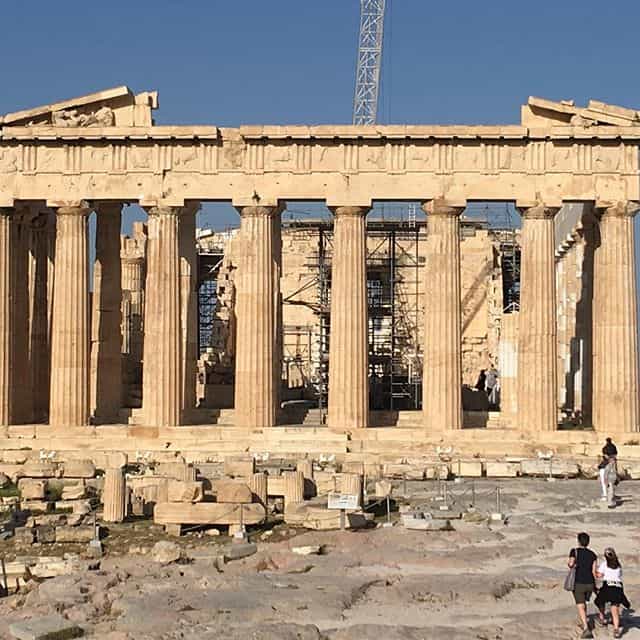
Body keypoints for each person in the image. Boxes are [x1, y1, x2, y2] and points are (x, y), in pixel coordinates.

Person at [594, 547, 630, 638]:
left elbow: (599, 575)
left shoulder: (605, 564)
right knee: (615, 609)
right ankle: (616, 630)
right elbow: (619, 575)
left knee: (599, 601)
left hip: (608, 586)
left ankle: (602, 618)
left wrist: (594, 570)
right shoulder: (618, 565)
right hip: (618, 587)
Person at [568, 532, 598, 639]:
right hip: (590, 583)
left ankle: (586, 628)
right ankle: (584, 620)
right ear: (588, 542)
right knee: (584, 602)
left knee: (581, 605)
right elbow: (594, 572)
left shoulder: (574, 551)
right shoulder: (593, 554)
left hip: (579, 583)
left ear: (579, 541)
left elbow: (571, 564)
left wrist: (572, 564)